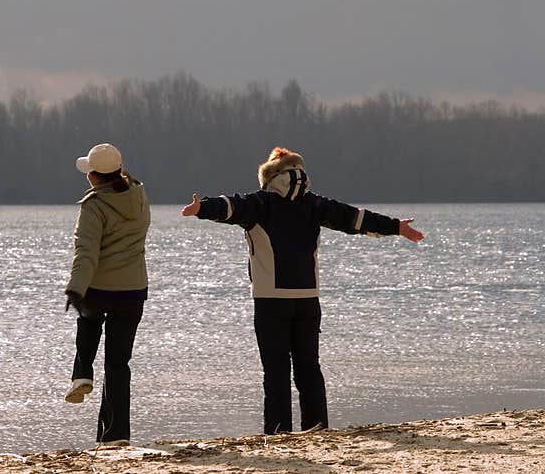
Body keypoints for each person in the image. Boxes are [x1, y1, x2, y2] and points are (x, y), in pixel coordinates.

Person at [181, 146, 423, 435]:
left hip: (271, 301)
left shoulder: (261, 203)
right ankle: (317, 427)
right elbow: (355, 218)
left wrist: (201, 208)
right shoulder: (314, 204)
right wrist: (395, 227)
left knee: (276, 373)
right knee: (309, 368)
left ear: (268, 177)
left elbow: (229, 206)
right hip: (308, 300)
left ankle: (279, 432)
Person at [64, 143, 151, 448]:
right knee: (118, 365)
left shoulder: (94, 207)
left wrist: (75, 288)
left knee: (87, 320)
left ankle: (82, 372)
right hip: (133, 291)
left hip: (100, 289)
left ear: (93, 176)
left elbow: (86, 254)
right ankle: (115, 435)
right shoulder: (139, 197)